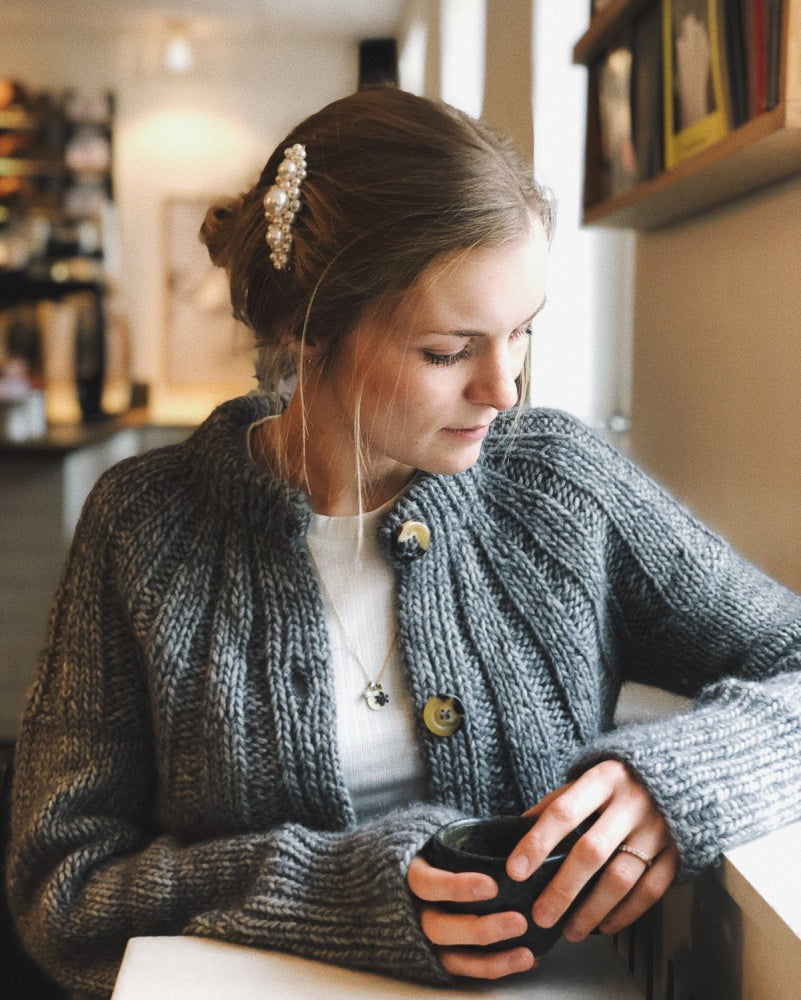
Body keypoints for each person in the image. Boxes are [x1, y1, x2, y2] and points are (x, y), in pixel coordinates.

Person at [6, 86, 801, 999]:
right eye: (447, 351)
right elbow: (60, 886)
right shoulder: (142, 526)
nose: (502, 389)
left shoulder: (563, 489)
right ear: (302, 333)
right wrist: (336, 896)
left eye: (521, 335)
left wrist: (676, 785)